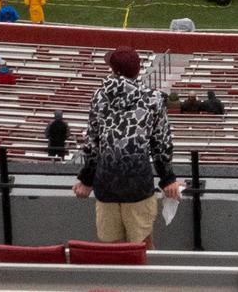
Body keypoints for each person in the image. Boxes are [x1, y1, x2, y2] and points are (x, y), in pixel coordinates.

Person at [74, 48, 180, 244]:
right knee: (142, 249)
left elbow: (92, 143)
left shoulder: (99, 97)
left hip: (106, 185)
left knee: (112, 254)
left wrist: (86, 180)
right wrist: (167, 178)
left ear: (113, 71)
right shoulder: (152, 98)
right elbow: (161, 144)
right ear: (137, 71)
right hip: (138, 185)